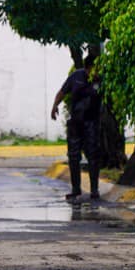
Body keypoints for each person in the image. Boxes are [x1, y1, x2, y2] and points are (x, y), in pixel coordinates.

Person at [50, 55, 103, 203]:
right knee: (73, 156)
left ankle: (94, 190)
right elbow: (62, 92)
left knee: (93, 155)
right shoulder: (76, 76)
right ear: (87, 68)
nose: (96, 72)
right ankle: (75, 189)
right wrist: (55, 106)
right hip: (76, 122)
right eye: (94, 68)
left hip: (92, 122)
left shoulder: (102, 79)